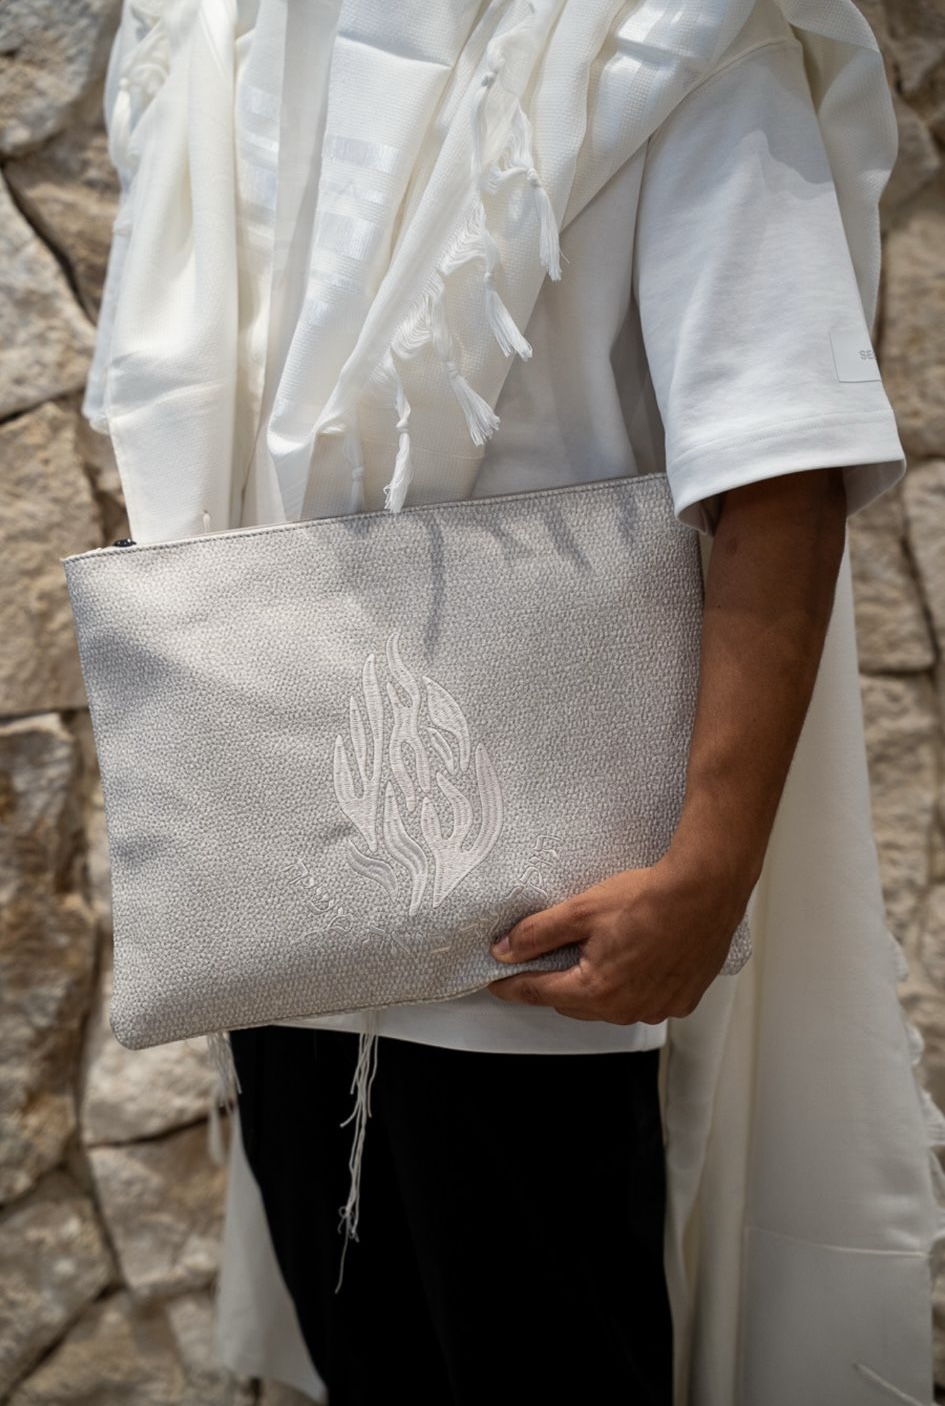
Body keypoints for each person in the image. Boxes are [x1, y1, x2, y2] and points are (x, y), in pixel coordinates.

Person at [85, 0, 943, 1401]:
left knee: (551, 1357)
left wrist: (711, 865)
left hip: (543, 928)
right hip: (277, 878)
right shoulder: (226, 35)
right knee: (366, 1354)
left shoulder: (672, 38)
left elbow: (778, 470)